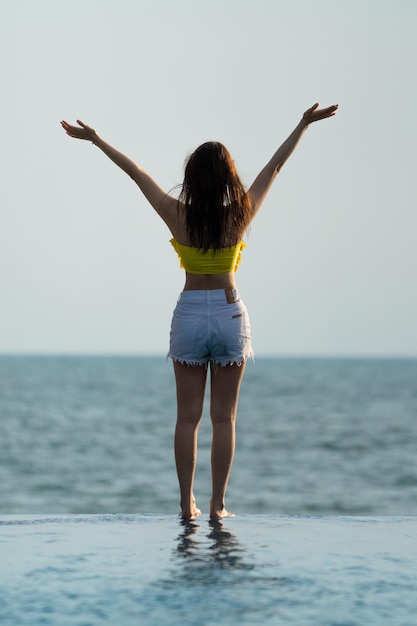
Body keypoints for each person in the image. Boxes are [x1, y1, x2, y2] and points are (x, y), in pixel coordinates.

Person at [61, 102, 338, 520]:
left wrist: (97, 140)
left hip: (190, 313)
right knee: (223, 419)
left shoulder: (177, 214)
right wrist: (303, 124)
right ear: (228, 178)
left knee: (187, 418)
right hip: (228, 314)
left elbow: (136, 174)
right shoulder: (239, 215)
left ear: (192, 177)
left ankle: (186, 504)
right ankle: (217, 505)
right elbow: (275, 168)